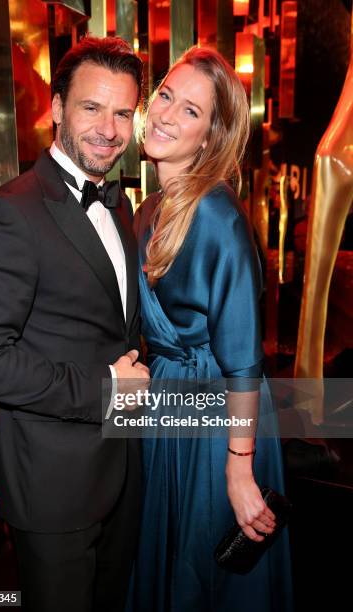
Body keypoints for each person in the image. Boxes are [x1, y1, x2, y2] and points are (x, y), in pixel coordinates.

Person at [0, 36, 149, 612]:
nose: (109, 130)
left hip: (124, 467)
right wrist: (105, 391)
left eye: (122, 113)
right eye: (92, 108)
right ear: (58, 107)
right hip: (54, 482)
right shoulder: (7, 213)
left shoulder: (121, 205)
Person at [128, 47, 293, 611]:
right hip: (170, 404)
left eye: (191, 111)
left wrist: (240, 470)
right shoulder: (150, 209)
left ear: (211, 137)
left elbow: (244, 360)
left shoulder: (216, 214)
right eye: (166, 96)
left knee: (205, 573)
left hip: (220, 421)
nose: (168, 114)